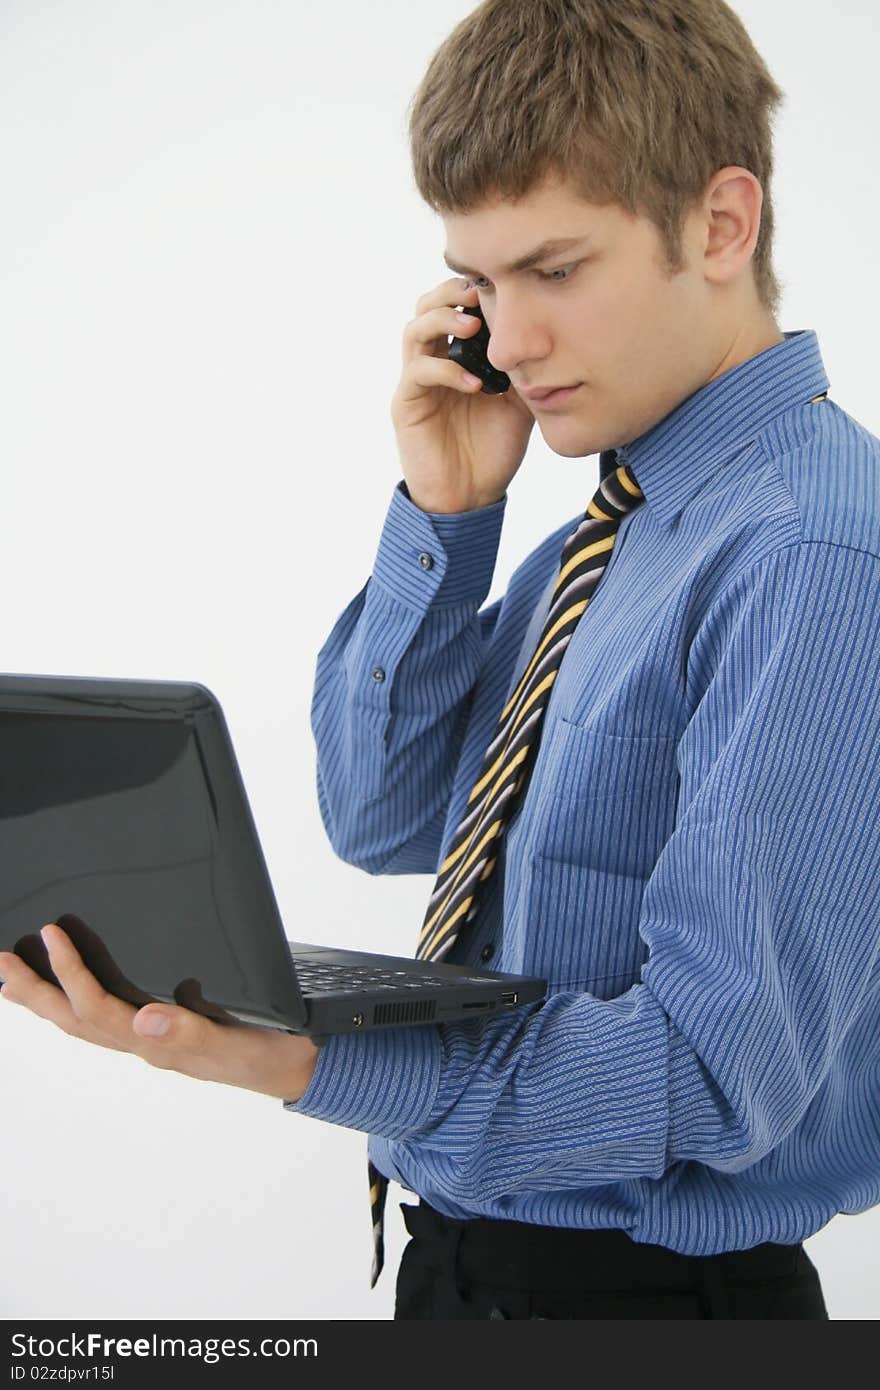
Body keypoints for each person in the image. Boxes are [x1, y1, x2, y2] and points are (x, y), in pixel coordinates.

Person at [1, 0, 878, 1320]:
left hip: (646, 1306)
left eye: (557, 269)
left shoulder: (809, 551)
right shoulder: (608, 538)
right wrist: (448, 515)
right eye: (480, 282)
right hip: (471, 1275)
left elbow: (711, 1076)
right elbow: (384, 815)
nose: (507, 343)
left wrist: (304, 1060)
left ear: (721, 224)